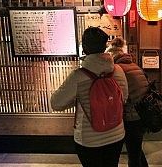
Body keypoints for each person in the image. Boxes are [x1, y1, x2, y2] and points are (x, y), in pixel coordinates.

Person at [50, 27, 129, 167]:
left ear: (84, 47)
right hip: (116, 134)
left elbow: (56, 103)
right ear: (105, 46)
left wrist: (79, 100)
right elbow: (124, 97)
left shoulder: (78, 76)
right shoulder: (118, 70)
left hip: (90, 140)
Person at [108, 37, 149, 167]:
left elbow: (119, 95)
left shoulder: (118, 69)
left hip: (130, 117)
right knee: (136, 149)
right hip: (141, 113)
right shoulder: (134, 66)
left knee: (133, 155)